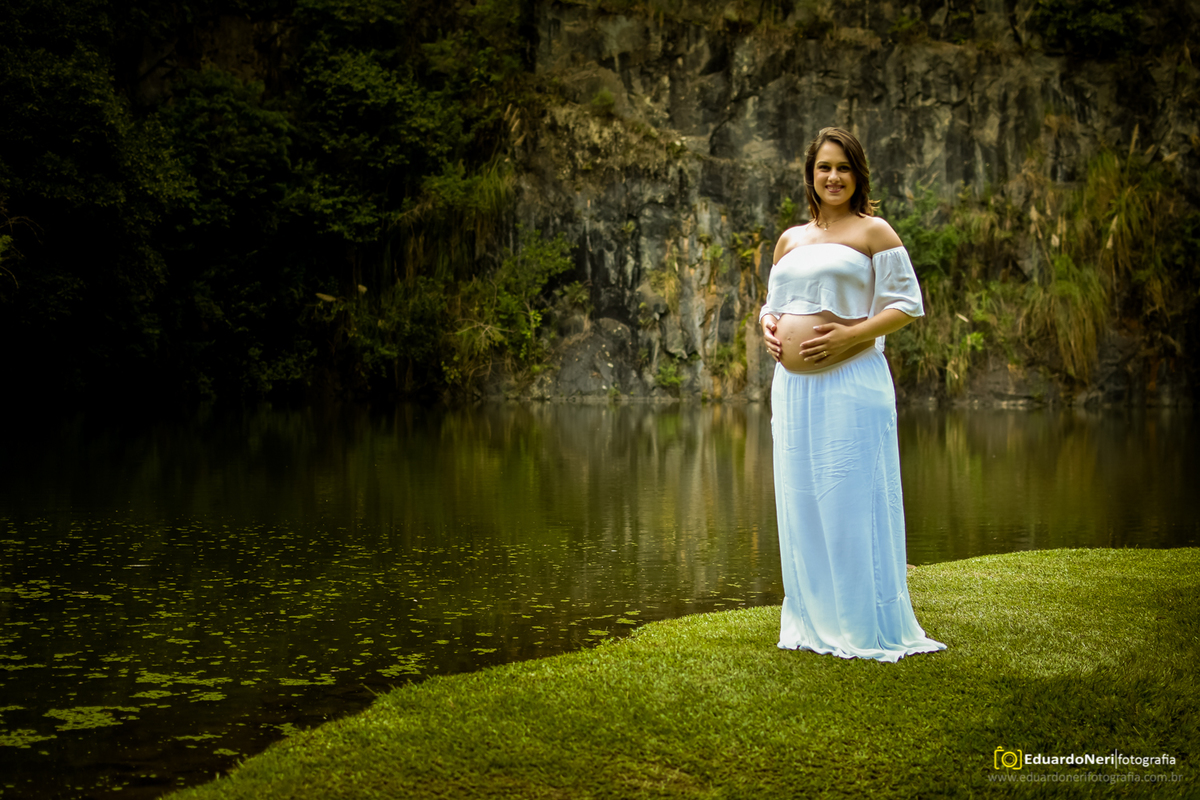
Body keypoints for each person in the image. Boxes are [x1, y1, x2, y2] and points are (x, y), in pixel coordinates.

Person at [759, 126, 946, 662]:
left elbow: (906, 305)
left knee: (849, 500)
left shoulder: (874, 232)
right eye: (823, 167)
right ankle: (813, 621)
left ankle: (862, 623)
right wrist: (768, 327)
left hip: (851, 383)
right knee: (802, 502)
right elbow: (774, 304)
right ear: (810, 176)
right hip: (793, 390)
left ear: (857, 174)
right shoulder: (790, 239)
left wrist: (851, 334)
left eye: (842, 167)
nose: (833, 177)